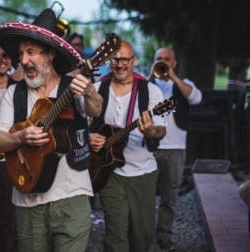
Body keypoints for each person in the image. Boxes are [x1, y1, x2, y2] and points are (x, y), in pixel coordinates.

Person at [0, 8, 103, 252]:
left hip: (71, 196)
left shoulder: (73, 87)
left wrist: (90, 91)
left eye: (31, 52)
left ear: (50, 54)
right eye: (21, 53)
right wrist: (21, 136)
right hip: (27, 201)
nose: (24, 60)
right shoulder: (14, 93)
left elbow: (95, 110)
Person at [89, 40, 166, 252]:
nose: (120, 64)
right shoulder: (96, 90)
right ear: (109, 61)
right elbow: (80, 125)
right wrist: (89, 136)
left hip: (143, 171)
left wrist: (150, 131)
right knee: (115, 233)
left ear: (134, 61)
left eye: (125, 59)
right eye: (115, 59)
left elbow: (160, 130)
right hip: (108, 171)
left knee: (142, 234)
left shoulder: (151, 92)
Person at [147, 47, 202, 250]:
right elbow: (136, 94)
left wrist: (173, 78)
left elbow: (196, 99)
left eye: (166, 59)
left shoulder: (184, 84)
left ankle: (164, 235)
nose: (162, 61)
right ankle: (142, 235)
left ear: (174, 63)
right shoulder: (147, 84)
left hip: (176, 148)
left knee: (169, 198)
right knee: (144, 196)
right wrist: (150, 75)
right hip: (150, 147)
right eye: (158, 59)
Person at [0, 49, 17, 252]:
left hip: (6, 161)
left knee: (6, 216)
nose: (3, 60)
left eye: (7, 56)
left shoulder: (18, 89)